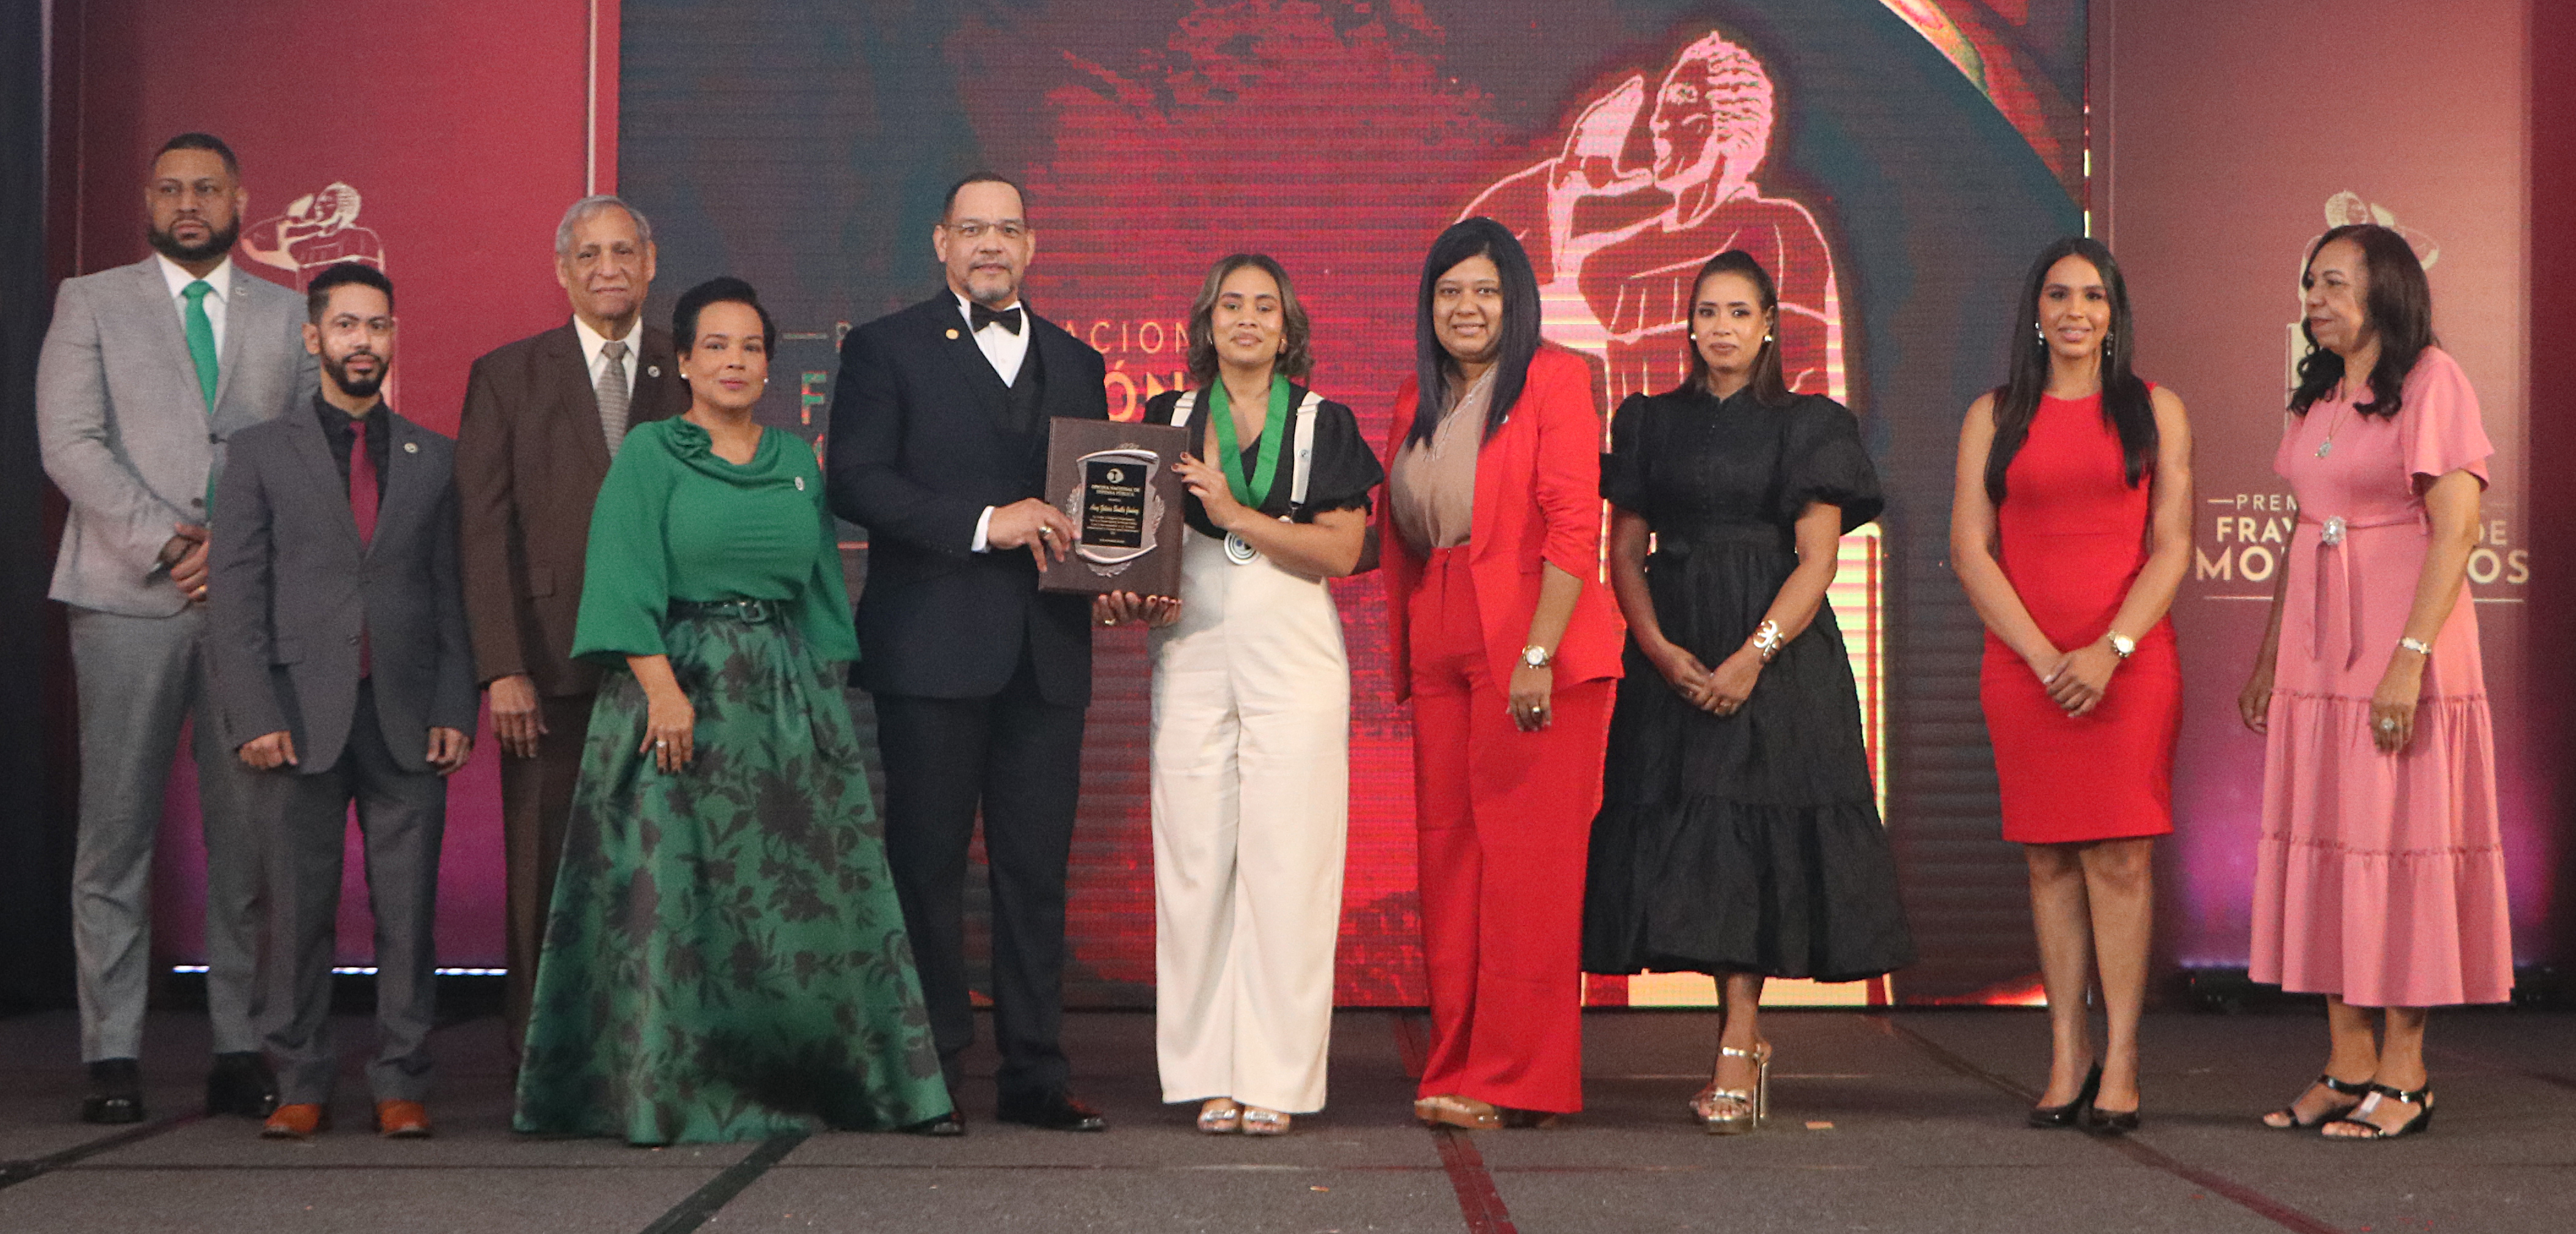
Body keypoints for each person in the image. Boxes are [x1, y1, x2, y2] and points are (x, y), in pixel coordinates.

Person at [514, 278, 949, 1143]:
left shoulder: (796, 462)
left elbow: (819, 590)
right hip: (672, 697)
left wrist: (819, 704)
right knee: (675, 904)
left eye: (751, 347)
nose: (735, 362)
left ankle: (816, 1083)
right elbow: (621, 575)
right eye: (716, 346)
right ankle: (664, 1096)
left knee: (793, 910)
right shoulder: (651, 453)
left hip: (781, 703)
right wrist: (663, 692)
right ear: (683, 361)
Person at [1584, 250, 1912, 1135]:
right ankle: (1735, 1032)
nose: (1721, 327)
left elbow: (1818, 562)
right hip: (1674, 652)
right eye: (1707, 312)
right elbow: (1624, 555)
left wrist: (1753, 656)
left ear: (1770, 324)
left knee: (1752, 841)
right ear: (1687, 325)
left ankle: (1739, 1038)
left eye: (1739, 312)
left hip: (1780, 660)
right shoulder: (1649, 421)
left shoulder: (1809, 424)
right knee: (1694, 843)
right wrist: (1659, 650)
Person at [36, 131, 315, 1125]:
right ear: (148, 201)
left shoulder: (289, 313)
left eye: (205, 188)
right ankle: (111, 1051)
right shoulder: (91, 301)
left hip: (248, 607)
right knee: (115, 835)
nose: (187, 203)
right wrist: (166, 543)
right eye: (169, 188)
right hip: (125, 599)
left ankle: (238, 1044)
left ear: (241, 200)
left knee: (248, 836)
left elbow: (308, 450)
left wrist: (231, 555)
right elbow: (70, 442)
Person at [825, 173, 1111, 1135]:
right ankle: (929, 1073)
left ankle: (1036, 1073)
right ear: (941, 242)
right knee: (927, 866)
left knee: (1036, 873)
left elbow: (1102, 504)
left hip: (1047, 654)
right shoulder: (884, 348)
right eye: (974, 229)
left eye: (1009, 229)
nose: (992, 245)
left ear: (1032, 245)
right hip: (928, 651)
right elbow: (856, 481)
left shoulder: (1079, 361)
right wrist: (989, 523)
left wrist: (1123, 571)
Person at [1098, 255, 1381, 1137]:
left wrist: (1236, 515)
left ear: (1288, 328)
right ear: (1208, 324)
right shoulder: (1166, 418)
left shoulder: (1323, 422)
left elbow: (1342, 552)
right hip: (1189, 644)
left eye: (1265, 306)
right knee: (1192, 862)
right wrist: (1120, 593)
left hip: (1292, 646)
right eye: (1232, 305)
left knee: (1289, 864)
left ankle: (1277, 1078)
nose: (1248, 319)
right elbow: (1131, 549)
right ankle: (1208, 1073)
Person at [2237, 223, 2508, 1140]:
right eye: (2310, 284)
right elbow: (2304, 530)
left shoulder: (2434, 381)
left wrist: (2409, 659)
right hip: (2319, 659)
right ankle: (2348, 1064)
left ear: (2386, 291)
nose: (2315, 301)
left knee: (2398, 851)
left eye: (2335, 285)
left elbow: (2458, 530)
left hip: (2403, 651)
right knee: (2332, 848)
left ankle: (2406, 1075)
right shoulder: (2320, 391)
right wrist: (2272, 659)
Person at [205, 264, 476, 1140]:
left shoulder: (434, 456)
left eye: (378, 326)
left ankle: (401, 1080)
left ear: (393, 338)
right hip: (294, 717)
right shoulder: (258, 452)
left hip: (407, 717)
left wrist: (455, 705)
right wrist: (253, 714)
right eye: (348, 325)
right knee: (297, 913)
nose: (364, 341)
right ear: (313, 337)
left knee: (409, 916)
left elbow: (452, 592)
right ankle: (301, 1079)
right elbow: (236, 596)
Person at [1378, 218, 1625, 1130]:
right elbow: (1398, 530)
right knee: (1450, 861)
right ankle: (1456, 1063)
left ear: (1516, 300)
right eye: (1450, 292)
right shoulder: (1417, 396)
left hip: (1533, 641)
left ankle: (1521, 1080)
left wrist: (1538, 653)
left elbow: (1574, 524)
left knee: (1528, 871)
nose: (1467, 307)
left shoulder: (1556, 379)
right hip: (1442, 630)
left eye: (1485, 290)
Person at [1950, 237, 2192, 1135]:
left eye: (2093, 296)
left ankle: (2121, 1057)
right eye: (2059, 295)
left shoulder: (2156, 410)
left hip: (2130, 665)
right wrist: (2046, 658)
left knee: (2119, 857)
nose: (2076, 312)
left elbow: (2173, 546)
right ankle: (2066, 1052)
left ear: (2114, 313)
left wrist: (2109, 650)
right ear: (2036, 312)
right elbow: (1970, 549)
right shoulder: (1993, 415)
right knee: (2049, 859)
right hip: (2025, 668)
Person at [456, 196, 687, 1050]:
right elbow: (482, 531)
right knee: (545, 871)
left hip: (672, 665)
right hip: (547, 665)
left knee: (659, 869)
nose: (608, 269)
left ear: (651, 262)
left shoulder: (690, 366)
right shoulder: (507, 375)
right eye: (589, 255)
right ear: (562, 270)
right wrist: (501, 667)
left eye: (624, 251)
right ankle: (541, 1056)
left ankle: (648, 1055)